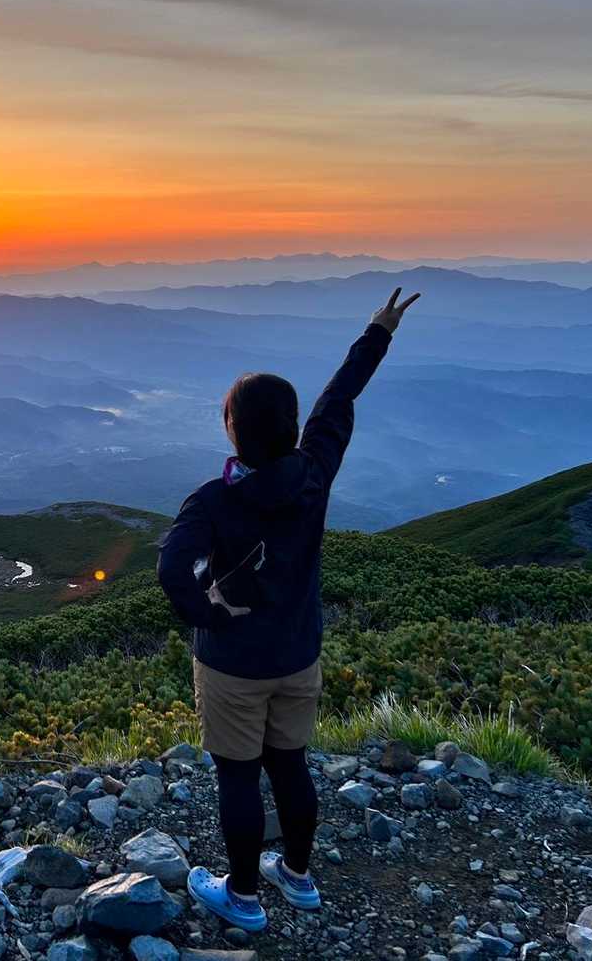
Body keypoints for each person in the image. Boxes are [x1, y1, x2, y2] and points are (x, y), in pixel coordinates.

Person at [156, 288, 420, 931]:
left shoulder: (211, 501)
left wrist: (209, 617)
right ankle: (298, 877)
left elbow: (170, 568)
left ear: (233, 428)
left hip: (233, 665)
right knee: (290, 765)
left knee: (238, 777)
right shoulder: (313, 474)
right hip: (298, 654)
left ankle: (243, 897)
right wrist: (378, 332)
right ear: (291, 427)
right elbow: (338, 400)